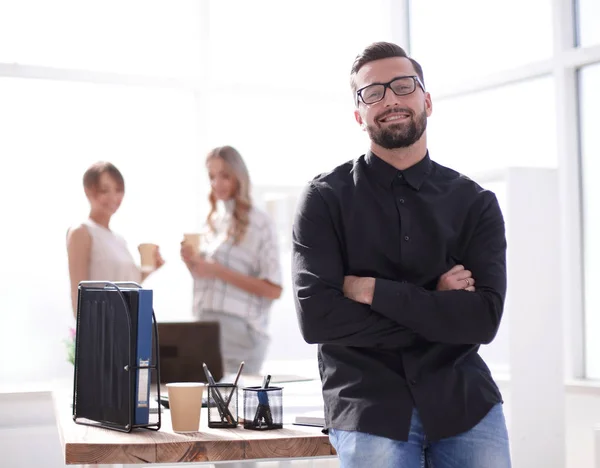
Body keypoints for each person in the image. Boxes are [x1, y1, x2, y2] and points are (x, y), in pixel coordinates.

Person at [292, 42, 510, 467]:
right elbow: (318, 318)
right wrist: (436, 303)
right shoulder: (324, 200)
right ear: (359, 115)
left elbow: (482, 320)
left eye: (403, 86)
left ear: (426, 100)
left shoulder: (475, 203)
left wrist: (373, 290)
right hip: (370, 406)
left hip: (465, 404)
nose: (390, 99)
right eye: (372, 92)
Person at [181, 146, 282, 377]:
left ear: (239, 175)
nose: (217, 183)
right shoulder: (214, 222)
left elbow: (274, 289)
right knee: (207, 410)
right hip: (204, 331)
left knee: (234, 410)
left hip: (239, 336)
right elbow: (211, 281)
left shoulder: (260, 223)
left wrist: (219, 271)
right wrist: (192, 263)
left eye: (224, 175)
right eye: (212, 176)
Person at [66, 162, 164, 317]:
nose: (113, 197)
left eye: (118, 190)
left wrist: (149, 269)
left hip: (127, 322)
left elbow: (126, 286)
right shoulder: (81, 232)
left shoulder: (119, 240)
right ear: (88, 191)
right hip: (100, 325)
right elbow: (78, 293)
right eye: (104, 190)